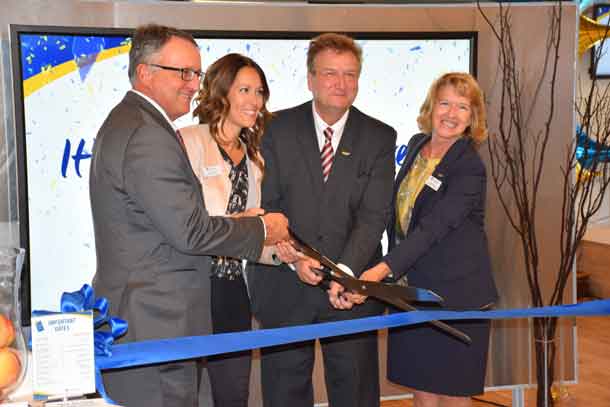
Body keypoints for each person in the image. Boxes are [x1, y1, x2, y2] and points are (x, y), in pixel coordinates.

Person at [89, 25, 289, 407]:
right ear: (145, 72)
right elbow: (191, 231)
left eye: (196, 74)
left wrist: (280, 249)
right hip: (155, 322)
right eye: (183, 73)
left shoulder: (135, 123)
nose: (193, 84)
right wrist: (261, 226)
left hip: (160, 319)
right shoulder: (148, 135)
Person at [247, 33, 397, 407]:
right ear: (311, 78)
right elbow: (269, 205)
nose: (341, 84)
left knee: (355, 392)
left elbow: (374, 214)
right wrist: (297, 259)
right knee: (284, 393)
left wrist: (343, 271)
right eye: (330, 73)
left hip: (350, 290)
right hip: (285, 284)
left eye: (350, 74)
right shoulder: (273, 128)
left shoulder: (379, 136)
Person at [354, 72, 499, 407]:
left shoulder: (469, 167)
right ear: (431, 107)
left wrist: (382, 269)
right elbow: (399, 212)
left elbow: (434, 227)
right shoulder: (417, 145)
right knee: (421, 392)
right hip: (414, 291)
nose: (451, 113)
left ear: (472, 117)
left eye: (462, 107)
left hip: (457, 297)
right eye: (444, 103)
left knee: (451, 394)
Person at [178, 53, 279, 407]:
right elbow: (187, 225)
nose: (255, 101)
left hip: (234, 289)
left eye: (260, 92)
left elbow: (255, 239)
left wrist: (290, 256)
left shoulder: (255, 157)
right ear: (222, 92)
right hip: (192, 288)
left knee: (233, 394)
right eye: (245, 90)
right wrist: (252, 223)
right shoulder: (186, 142)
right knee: (184, 392)